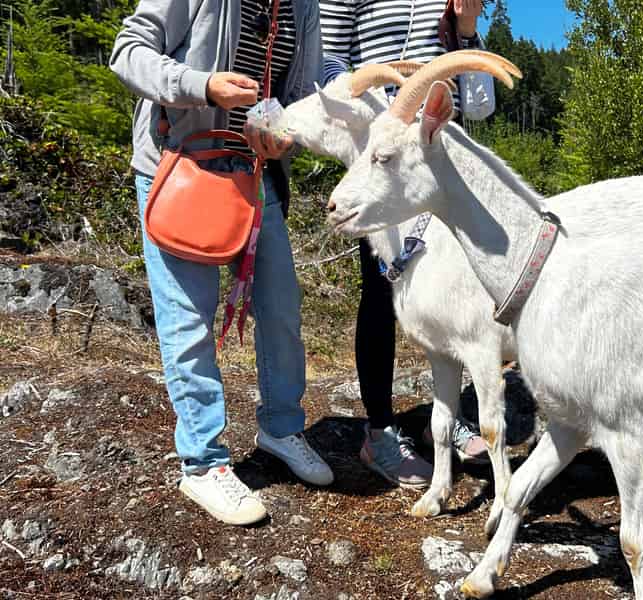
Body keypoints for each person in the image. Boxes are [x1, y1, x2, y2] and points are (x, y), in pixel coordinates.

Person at [110, 0, 332, 526]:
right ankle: (203, 462)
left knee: (280, 311)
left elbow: (300, 97)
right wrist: (203, 86)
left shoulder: (303, 6)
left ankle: (281, 427)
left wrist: (286, 137)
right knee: (188, 318)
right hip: (179, 166)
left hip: (251, 175)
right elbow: (127, 53)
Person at [318, 0, 492, 489]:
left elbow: (479, 104)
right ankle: (379, 432)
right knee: (380, 292)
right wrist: (382, 95)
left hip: (438, 169)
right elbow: (328, 63)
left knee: (452, 290)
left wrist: (467, 25)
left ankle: (449, 418)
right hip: (384, 161)